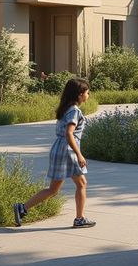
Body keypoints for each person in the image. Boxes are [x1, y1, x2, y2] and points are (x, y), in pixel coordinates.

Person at [13, 77, 95, 229]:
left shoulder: (65, 109)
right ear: (79, 95)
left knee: (54, 189)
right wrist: (79, 154)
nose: (88, 95)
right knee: (81, 184)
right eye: (87, 93)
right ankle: (80, 218)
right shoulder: (74, 111)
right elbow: (69, 133)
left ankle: (22, 208)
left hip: (59, 148)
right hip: (68, 151)